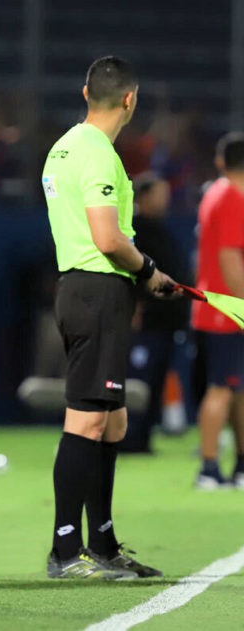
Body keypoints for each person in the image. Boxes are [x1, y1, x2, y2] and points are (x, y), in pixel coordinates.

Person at [41, 56, 178, 580]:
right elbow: (106, 239)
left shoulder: (63, 146)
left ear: (85, 92)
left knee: (113, 419)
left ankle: (102, 543)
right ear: (130, 100)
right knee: (88, 419)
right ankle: (64, 549)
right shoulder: (99, 154)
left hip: (85, 289)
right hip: (97, 289)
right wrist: (148, 272)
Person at [123, 172, 190, 453]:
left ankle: (144, 439)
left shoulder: (161, 229)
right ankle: (127, 438)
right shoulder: (132, 229)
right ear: (144, 197)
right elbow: (130, 272)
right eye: (160, 193)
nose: (166, 199)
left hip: (167, 320)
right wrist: (135, 305)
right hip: (145, 320)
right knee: (138, 381)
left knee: (157, 380)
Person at [192, 132, 244, 489]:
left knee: (237, 390)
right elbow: (230, 259)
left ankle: (240, 465)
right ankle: (209, 468)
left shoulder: (217, 193)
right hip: (226, 309)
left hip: (219, 307)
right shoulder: (230, 198)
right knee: (220, 389)